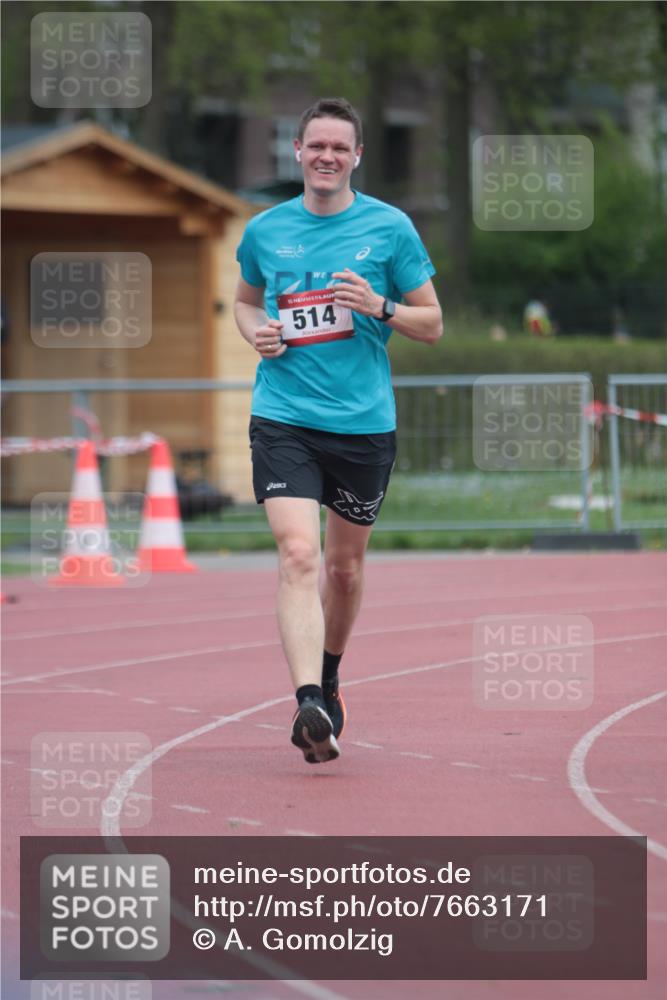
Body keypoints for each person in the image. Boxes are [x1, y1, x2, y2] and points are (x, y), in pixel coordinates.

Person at [234, 97, 443, 765]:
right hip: (283, 417)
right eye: (315, 145)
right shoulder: (265, 231)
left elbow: (432, 323)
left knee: (343, 570)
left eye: (339, 147)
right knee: (298, 554)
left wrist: (378, 305)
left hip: (361, 426)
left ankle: (327, 677)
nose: (326, 156)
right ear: (295, 152)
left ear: (356, 157)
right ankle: (304, 703)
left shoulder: (390, 229)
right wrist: (256, 333)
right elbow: (244, 303)